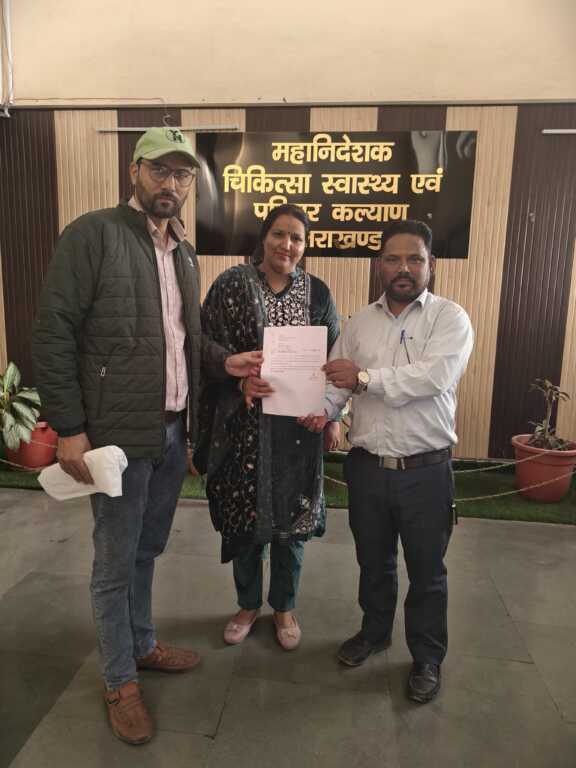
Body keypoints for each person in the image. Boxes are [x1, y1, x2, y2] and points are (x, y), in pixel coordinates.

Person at [31, 127, 262, 745]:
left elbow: (184, 342)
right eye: (160, 170)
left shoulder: (183, 253)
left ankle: (141, 643)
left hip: (169, 433)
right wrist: (70, 428)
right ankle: (119, 680)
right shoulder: (93, 234)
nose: (171, 183)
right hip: (115, 438)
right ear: (135, 170)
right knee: (114, 562)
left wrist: (227, 362)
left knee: (145, 550)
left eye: (182, 174)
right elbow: (52, 333)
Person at [302, 219, 473, 703]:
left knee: (427, 572)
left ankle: (427, 657)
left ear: (430, 264)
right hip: (368, 469)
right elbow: (336, 381)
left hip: (426, 472)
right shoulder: (359, 323)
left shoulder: (449, 318)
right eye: (393, 258)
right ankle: (374, 633)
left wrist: (365, 379)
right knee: (373, 563)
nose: (404, 268)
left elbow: (433, 378)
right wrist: (319, 410)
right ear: (379, 264)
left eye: (414, 259)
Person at [195, 204, 340, 651]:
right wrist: (239, 381)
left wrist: (333, 415)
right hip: (242, 430)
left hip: (298, 432)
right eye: (279, 234)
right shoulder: (231, 285)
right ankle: (246, 605)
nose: (287, 245)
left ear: (305, 245)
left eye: (297, 238)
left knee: (292, 523)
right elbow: (202, 346)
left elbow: (334, 358)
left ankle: (284, 607)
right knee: (245, 522)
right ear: (263, 237)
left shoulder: (317, 294)